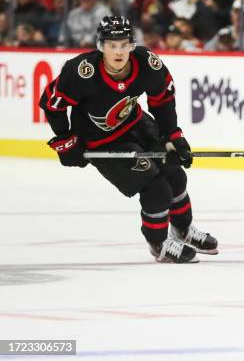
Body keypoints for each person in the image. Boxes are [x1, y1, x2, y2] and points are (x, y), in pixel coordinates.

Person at [39, 16, 218, 263]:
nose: (118, 51)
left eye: (123, 44)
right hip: (102, 142)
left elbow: (162, 101)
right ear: (101, 46)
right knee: (156, 187)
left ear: (132, 45)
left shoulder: (148, 64)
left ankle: (183, 230)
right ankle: (159, 244)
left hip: (136, 124)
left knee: (174, 172)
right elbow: (51, 103)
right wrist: (66, 140)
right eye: (112, 45)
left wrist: (173, 136)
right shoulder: (81, 72)